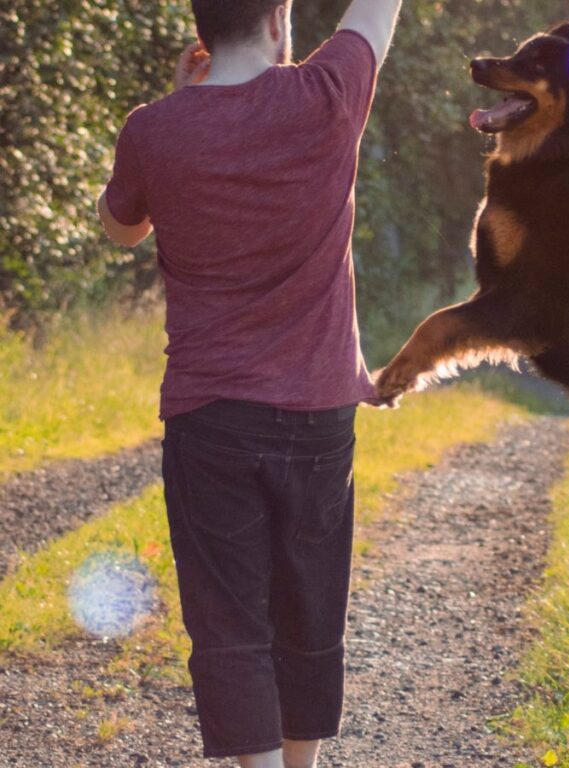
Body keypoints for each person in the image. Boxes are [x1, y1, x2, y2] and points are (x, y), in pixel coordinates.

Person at [96, 1, 403, 766]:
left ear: (202, 29)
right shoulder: (329, 94)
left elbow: (122, 227)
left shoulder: (153, 129)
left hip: (211, 415)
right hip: (319, 414)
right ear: (278, 20)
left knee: (230, 622)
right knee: (308, 606)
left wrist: (177, 111)